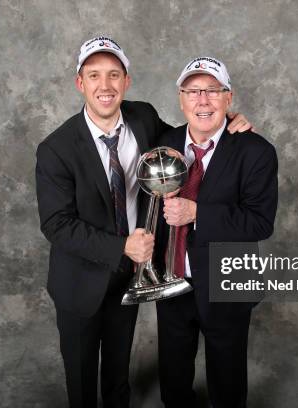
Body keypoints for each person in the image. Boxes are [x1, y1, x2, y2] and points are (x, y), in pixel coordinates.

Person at [35, 37, 254, 408]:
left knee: (119, 374)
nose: (105, 86)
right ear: (80, 83)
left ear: (127, 81)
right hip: (80, 283)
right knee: (83, 377)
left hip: (131, 276)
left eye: (114, 75)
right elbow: (56, 224)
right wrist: (121, 246)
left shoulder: (143, 118)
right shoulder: (56, 148)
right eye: (94, 76)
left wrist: (227, 120)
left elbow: (187, 136)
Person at [155, 57, 278, 408]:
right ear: (181, 99)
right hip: (172, 278)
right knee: (173, 372)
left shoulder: (257, 152)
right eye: (193, 91)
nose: (202, 100)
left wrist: (197, 213)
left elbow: (260, 222)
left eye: (212, 91)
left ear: (229, 98)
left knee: (227, 376)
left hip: (227, 282)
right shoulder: (164, 141)